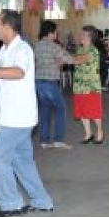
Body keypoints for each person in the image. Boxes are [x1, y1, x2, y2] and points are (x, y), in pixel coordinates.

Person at [0, 10, 54, 217]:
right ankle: (41, 201)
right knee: (22, 160)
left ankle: (11, 204)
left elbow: (18, 72)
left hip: (18, 117)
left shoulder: (22, 49)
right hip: (13, 116)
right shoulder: (5, 49)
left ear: (7, 27)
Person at [34, 20, 78, 150]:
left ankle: (44, 141)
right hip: (50, 82)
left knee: (45, 110)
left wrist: (57, 63)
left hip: (39, 81)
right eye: (55, 32)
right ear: (50, 33)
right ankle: (58, 139)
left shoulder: (37, 46)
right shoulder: (53, 46)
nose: (56, 35)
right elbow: (69, 59)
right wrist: (82, 58)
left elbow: (42, 63)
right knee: (61, 109)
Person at [74, 26, 103, 144]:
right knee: (82, 111)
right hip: (79, 85)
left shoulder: (93, 50)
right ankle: (88, 134)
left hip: (91, 86)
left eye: (83, 34)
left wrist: (67, 58)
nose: (80, 36)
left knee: (94, 111)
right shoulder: (79, 49)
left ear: (90, 37)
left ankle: (100, 132)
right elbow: (77, 59)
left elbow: (82, 59)